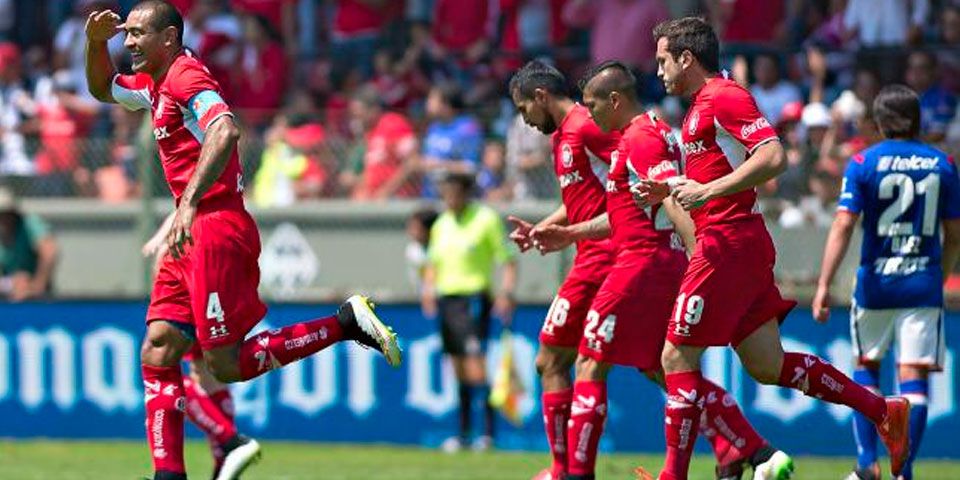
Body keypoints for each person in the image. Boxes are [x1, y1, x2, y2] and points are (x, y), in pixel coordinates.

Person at [84, 3, 402, 480]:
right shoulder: (155, 84)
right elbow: (102, 89)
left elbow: (225, 128)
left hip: (213, 226)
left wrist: (189, 201)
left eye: (137, 34)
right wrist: (94, 43)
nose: (128, 43)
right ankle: (168, 473)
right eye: (125, 34)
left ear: (168, 38)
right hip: (187, 230)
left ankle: (345, 323)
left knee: (226, 365)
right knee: (158, 348)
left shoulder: (186, 77)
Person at [632, 17, 910, 480]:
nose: (658, 71)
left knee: (674, 358)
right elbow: (720, 175)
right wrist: (675, 189)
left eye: (663, 60)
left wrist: (709, 191)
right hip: (738, 240)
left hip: (727, 242)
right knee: (767, 365)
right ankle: (882, 410)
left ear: (686, 58)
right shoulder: (701, 104)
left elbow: (772, 155)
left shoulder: (724, 96)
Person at [507, 60, 789, 480]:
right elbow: (621, 196)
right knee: (661, 365)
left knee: (573, 360)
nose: (524, 120)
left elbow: (659, 194)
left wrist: (699, 255)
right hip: (620, 252)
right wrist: (559, 230)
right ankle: (744, 445)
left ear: (541, 97)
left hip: (621, 259)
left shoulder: (605, 130)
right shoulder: (604, 132)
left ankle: (570, 472)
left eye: (523, 108)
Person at [813, 85, 960, 480]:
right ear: (918, 120)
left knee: (867, 367)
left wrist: (824, 284)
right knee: (914, 376)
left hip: (876, 284)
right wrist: (938, 276)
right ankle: (903, 470)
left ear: (878, 123)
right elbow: (955, 234)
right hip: (922, 284)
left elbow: (844, 224)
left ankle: (866, 462)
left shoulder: (863, 162)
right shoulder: (942, 163)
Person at [142, 211, 258, 480]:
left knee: (173, 370)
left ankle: (230, 441)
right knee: (208, 375)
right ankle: (224, 463)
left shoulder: (204, 182)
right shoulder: (225, 197)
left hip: (195, 269)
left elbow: (192, 201)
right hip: (222, 260)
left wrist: (162, 240)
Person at [420, 172, 517, 453]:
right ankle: (463, 434)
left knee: (476, 366)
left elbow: (507, 260)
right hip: (447, 300)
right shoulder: (441, 224)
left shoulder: (485, 219)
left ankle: (488, 434)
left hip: (474, 298)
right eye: (445, 193)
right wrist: (428, 290)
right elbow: (432, 263)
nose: (448, 199)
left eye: (453, 193)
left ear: (465, 193)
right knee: (458, 367)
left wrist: (505, 293)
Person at [0, 186, 58, 301]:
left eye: (7, 213)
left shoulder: (29, 223)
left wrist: (38, 284)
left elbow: (50, 251)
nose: (4, 218)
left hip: (37, 296)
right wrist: (10, 284)